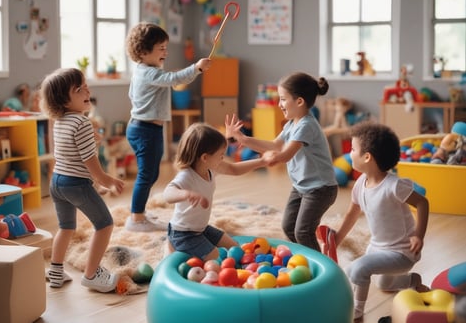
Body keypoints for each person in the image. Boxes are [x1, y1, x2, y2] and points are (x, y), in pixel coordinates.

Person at [225, 72, 338, 252]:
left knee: (302, 231)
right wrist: (243, 139)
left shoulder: (306, 125)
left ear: (299, 101)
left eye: (283, 99)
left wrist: (272, 158)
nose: (279, 104)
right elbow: (275, 145)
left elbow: (285, 154)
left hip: (321, 189)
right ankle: (307, 253)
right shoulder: (292, 124)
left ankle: (322, 266)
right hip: (302, 186)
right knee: (288, 227)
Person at [333, 121, 429, 321]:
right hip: (377, 247)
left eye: (352, 149)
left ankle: (357, 313)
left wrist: (418, 235)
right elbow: (352, 213)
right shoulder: (360, 183)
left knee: (359, 269)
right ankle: (413, 281)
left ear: (367, 157)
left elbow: (422, 203)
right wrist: (337, 239)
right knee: (380, 284)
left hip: (403, 252)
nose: (349, 153)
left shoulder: (394, 186)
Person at [40, 68, 125, 293]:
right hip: (76, 184)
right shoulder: (82, 124)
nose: (87, 90)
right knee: (105, 224)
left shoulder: (60, 121)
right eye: (79, 89)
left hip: (57, 182)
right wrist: (106, 180)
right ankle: (91, 274)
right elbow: (89, 161)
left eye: (85, 85)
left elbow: (72, 152)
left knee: (66, 227)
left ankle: (56, 271)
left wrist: (92, 141)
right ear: (63, 101)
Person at [125, 22, 211, 232]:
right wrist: (196, 68)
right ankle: (136, 219)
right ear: (144, 52)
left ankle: (140, 213)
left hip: (146, 129)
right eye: (160, 48)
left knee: (151, 175)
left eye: (166, 47)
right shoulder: (149, 73)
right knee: (146, 176)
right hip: (145, 130)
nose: (166, 51)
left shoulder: (145, 71)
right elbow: (173, 79)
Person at [163, 123, 269, 261]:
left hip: (200, 229)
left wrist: (262, 161)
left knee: (234, 247)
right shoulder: (187, 176)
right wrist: (185, 194)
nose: (223, 158)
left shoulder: (211, 167)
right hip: (183, 234)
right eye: (221, 155)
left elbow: (234, 169)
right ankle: (170, 244)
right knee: (216, 259)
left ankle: (176, 244)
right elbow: (168, 194)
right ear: (205, 158)